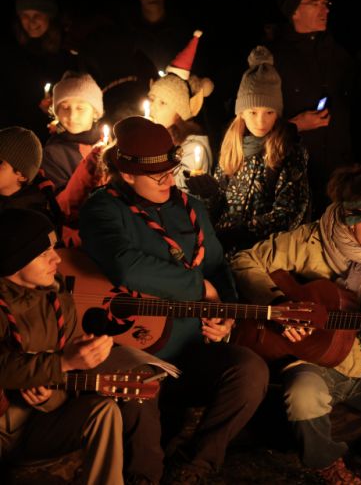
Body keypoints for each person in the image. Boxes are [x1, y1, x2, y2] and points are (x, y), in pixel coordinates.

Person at [78, 115, 269, 483]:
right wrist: (198, 289)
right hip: (135, 350)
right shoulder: (102, 210)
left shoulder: (191, 207)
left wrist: (224, 314)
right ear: (127, 173)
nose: (169, 180)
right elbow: (125, 266)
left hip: (189, 348)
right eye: (158, 176)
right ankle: (145, 478)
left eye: (171, 171)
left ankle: (196, 465)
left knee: (250, 371)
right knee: (140, 399)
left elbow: (217, 266)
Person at [231, 166, 361, 484]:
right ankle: (327, 464)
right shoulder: (308, 241)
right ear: (350, 220)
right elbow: (244, 261)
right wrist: (279, 305)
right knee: (302, 395)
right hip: (315, 360)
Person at [0, 208, 122, 484]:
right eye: (44, 253)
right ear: (16, 259)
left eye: (54, 248)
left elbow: (65, 383)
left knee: (104, 411)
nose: (56, 258)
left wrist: (48, 398)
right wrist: (62, 362)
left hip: (37, 427)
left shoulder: (58, 300)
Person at [186, 45, 309, 258]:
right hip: (223, 254)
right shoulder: (232, 147)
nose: (261, 121)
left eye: (269, 112)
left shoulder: (288, 151)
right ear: (241, 112)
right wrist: (208, 196)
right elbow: (217, 209)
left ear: (278, 113)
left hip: (264, 257)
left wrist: (235, 234)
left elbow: (288, 214)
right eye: (253, 112)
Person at [270, 0, 355, 218]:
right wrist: (297, 125)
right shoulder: (274, 59)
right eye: (314, 3)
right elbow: (256, 128)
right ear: (294, 10)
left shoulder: (338, 54)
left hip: (339, 180)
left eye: (325, 3)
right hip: (296, 183)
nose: (324, 10)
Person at [0, 0, 78, 142]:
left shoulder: (67, 50)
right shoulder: (10, 51)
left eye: (37, 14)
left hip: (53, 136)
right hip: (16, 134)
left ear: (49, 15)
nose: (31, 21)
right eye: (25, 15)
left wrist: (56, 105)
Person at [149, 30, 214, 191]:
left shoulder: (192, 148)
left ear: (180, 113)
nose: (153, 107)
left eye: (163, 103)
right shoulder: (164, 140)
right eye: (152, 99)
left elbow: (177, 189)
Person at [42, 71, 104, 191]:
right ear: (57, 113)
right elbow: (62, 199)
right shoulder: (53, 154)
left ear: (95, 112)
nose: (72, 116)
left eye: (80, 108)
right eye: (65, 108)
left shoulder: (111, 142)